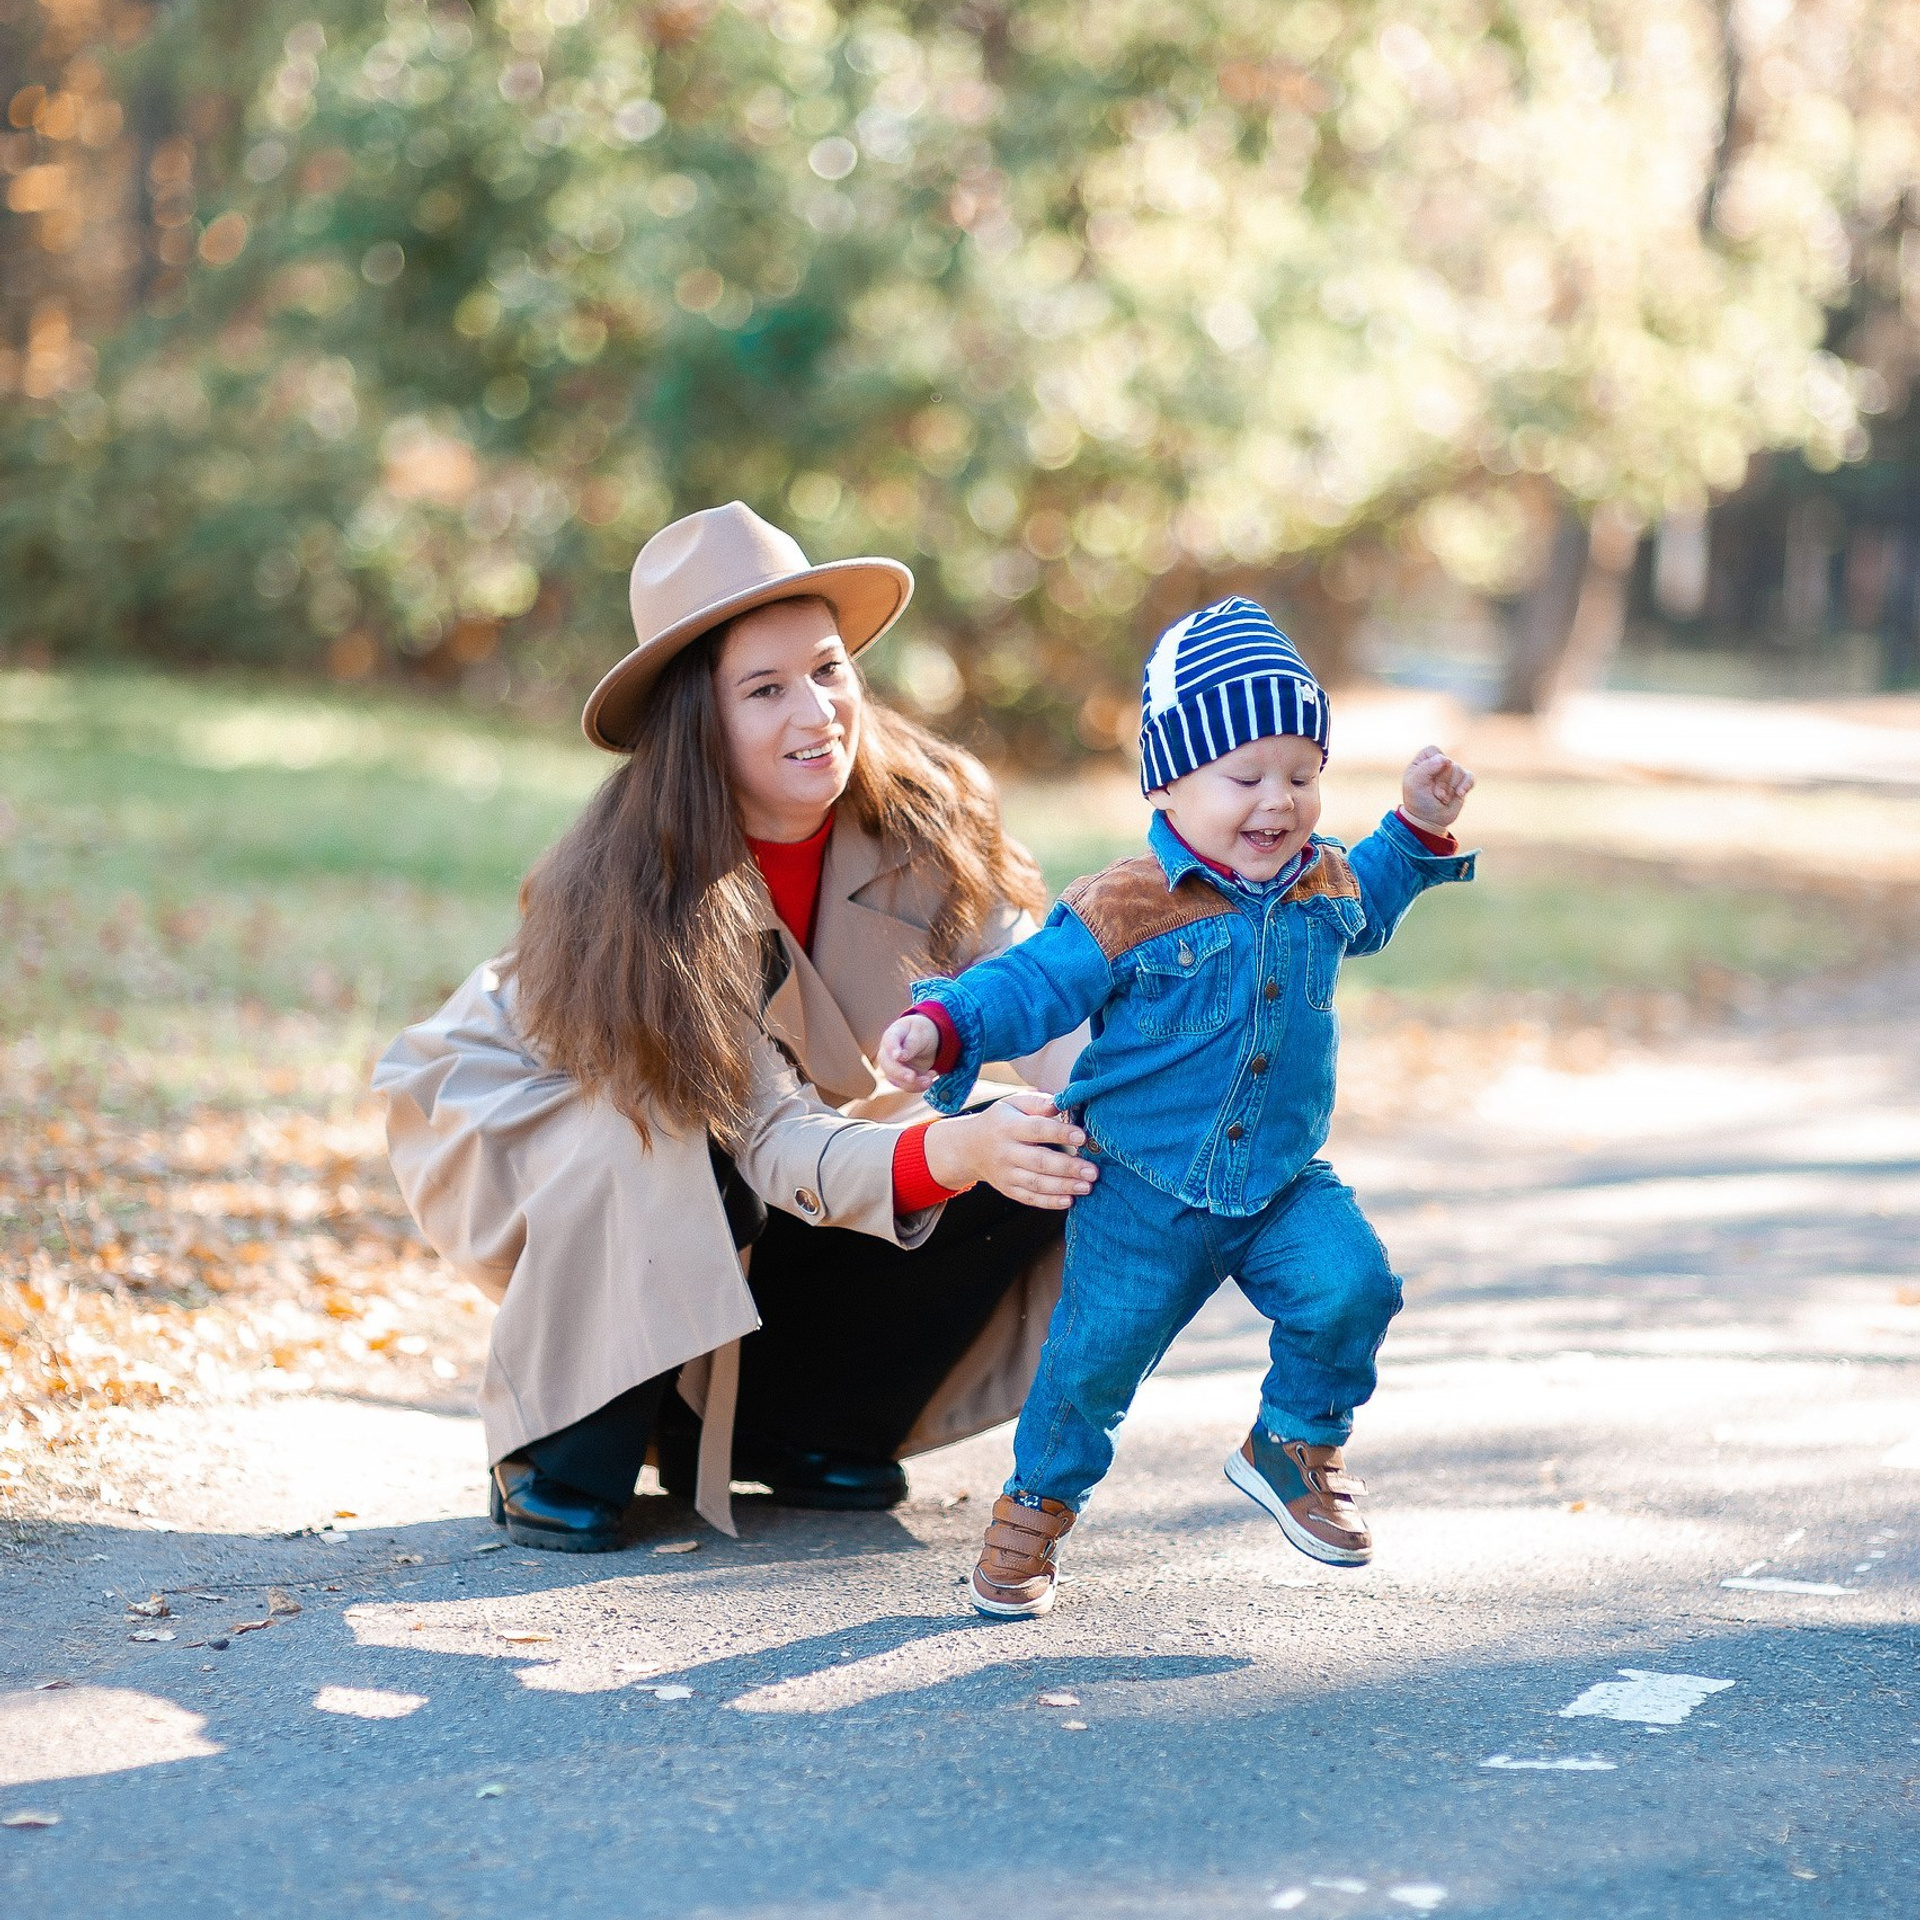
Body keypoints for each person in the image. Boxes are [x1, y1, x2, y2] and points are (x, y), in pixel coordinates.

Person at [375, 502, 1094, 1552]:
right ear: (695, 721)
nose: (817, 713)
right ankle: (558, 1433)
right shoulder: (639, 888)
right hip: (548, 1122)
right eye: (764, 689)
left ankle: (794, 1426)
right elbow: (764, 1137)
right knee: (677, 1144)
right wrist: (955, 1145)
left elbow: (1034, 983)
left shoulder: (923, 813)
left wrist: (1112, 1097)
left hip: (762, 1133)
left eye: (829, 669)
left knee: (1047, 1140)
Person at [876, 596, 1476, 1617]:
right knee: (1086, 1375)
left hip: (1280, 1184)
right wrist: (945, 1025)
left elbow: (1374, 891)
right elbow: (1033, 984)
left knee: (1354, 1286)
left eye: (1301, 775)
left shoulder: (1320, 882)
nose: (1276, 803)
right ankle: (1031, 1517)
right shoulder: (1125, 904)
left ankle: (1295, 1442)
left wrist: (1418, 823)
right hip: (1140, 1196)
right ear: (1167, 781)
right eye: (1243, 777)